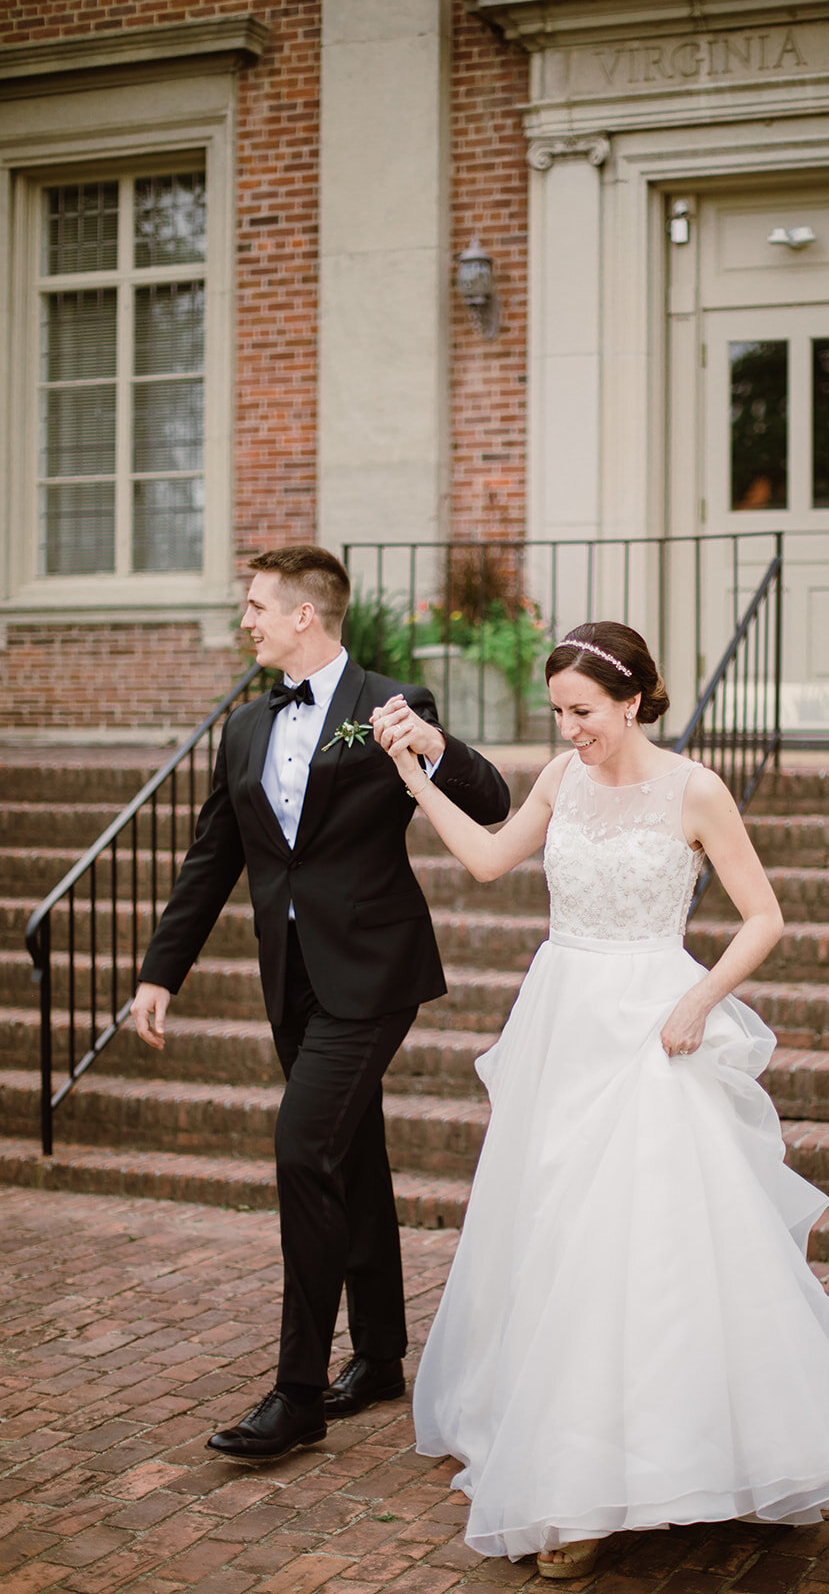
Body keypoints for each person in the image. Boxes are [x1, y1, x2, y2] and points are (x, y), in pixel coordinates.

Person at [372, 619, 829, 1580]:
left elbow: (764, 917)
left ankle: (682, 1468)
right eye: (557, 713)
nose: (570, 729)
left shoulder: (696, 790)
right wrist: (417, 778)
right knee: (557, 1235)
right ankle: (570, 1472)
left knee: (654, 1249)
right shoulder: (559, 779)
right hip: (563, 1024)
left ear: (632, 699)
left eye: (582, 711)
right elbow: (485, 860)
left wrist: (698, 999)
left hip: (652, 1026)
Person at [130, 546, 510, 1463]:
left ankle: (296, 1391)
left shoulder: (391, 701)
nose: (247, 621)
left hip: (373, 972)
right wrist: (159, 972)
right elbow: (211, 858)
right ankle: (379, 1356)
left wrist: (431, 744)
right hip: (291, 975)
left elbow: (492, 800)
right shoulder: (246, 729)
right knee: (350, 1152)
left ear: (306, 615)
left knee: (304, 1149)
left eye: (257, 606)